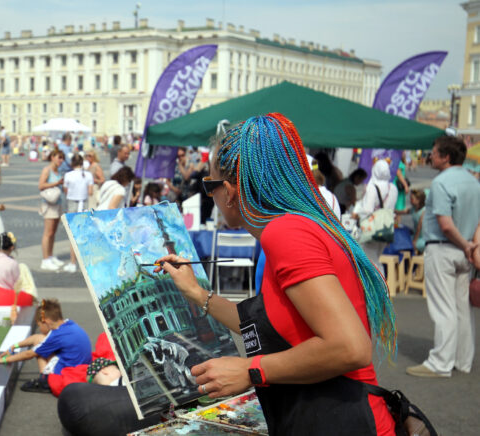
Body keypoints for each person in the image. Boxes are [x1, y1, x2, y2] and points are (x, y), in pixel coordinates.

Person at [154, 114, 396, 435]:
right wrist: (198, 294)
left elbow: (350, 347)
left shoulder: (285, 233)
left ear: (228, 191)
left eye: (210, 185)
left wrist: (250, 370)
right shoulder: (296, 226)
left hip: (343, 419)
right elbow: (266, 326)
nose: (211, 196)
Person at [406, 135, 480, 378]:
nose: (430, 156)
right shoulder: (474, 182)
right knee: (462, 307)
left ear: (446, 157)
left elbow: (445, 224)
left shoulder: (440, 183)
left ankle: (440, 362)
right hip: (464, 251)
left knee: (443, 307)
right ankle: (462, 359)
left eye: (434, 152)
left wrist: (467, 246)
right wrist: (472, 247)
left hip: (444, 247)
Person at [0, 298, 92, 393]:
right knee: (39, 340)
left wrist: (5, 360)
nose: (39, 329)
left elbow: (28, 354)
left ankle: (45, 380)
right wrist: (14, 346)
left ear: (46, 322)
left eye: (39, 325)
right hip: (81, 365)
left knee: (38, 349)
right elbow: (36, 337)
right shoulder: (69, 324)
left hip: (67, 372)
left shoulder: (55, 336)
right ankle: (46, 376)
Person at [352, 159, 398, 275]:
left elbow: (367, 210)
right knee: (376, 258)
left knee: (370, 261)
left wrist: (357, 211)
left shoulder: (372, 187)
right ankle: (381, 287)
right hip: (386, 227)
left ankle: (378, 289)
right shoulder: (393, 188)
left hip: (372, 228)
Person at [62, 154, 94, 273]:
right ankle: (87, 262)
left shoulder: (68, 175)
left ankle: (72, 262)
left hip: (72, 203)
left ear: (72, 163)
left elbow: (66, 190)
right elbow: (90, 192)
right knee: (84, 234)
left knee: (73, 234)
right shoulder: (88, 175)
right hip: (84, 203)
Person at [39, 149, 65, 271]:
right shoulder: (47, 170)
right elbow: (41, 185)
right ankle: (45, 260)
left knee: (53, 233)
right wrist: (56, 183)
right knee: (47, 233)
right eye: (59, 157)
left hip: (57, 203)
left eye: (62, 158)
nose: (61, 160)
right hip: (49, 204)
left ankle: (50, 255)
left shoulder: (58, 171)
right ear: (52, 157)